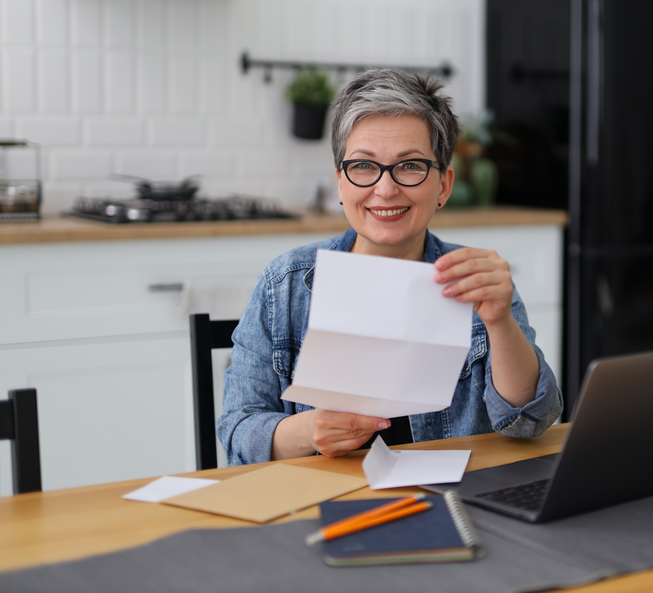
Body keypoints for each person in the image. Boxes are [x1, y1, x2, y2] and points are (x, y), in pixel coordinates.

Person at [217, 68, 562, 465]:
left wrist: (500, 322)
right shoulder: (286, 284)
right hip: (318, 507)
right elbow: (237, 434)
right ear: (340, 184)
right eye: (363, 166)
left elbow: (530, 422)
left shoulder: (476, 279)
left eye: (411, 165)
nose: (385, 189)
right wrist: (309, 431)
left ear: (444, 186)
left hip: (451, 501)